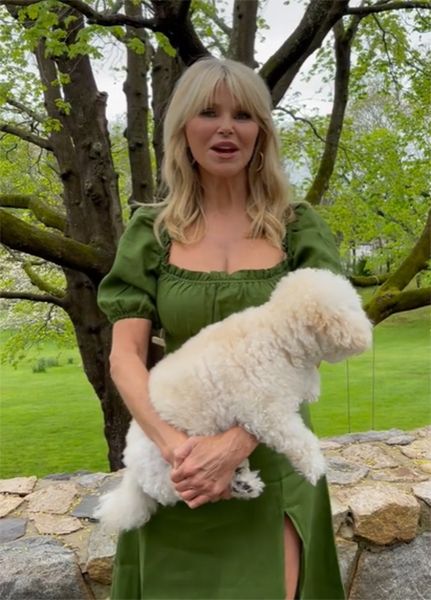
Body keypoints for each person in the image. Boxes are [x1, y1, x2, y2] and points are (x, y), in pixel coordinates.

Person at [97, 57, 345, 600]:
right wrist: (179, 453)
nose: (227, 128)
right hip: (175, 468)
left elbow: (316, 346)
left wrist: (235, 445)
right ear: (184, 127)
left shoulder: (296, 227)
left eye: (244, 115)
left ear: (262, 131)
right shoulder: (151, 232)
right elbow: (125, 358)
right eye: (209, 112)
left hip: (270, 459)